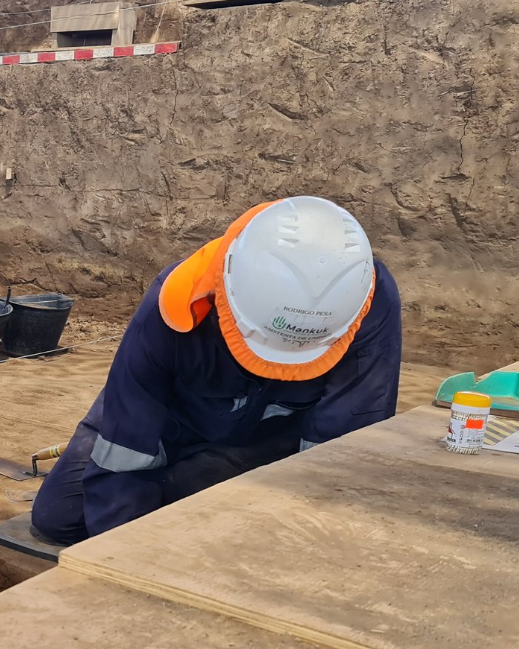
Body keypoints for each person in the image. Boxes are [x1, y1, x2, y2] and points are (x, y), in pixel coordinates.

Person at [29, 196, 402, 545]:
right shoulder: (177, 299)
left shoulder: (366, 299)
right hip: (174, 423)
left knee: (223, 526)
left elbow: (345, 440)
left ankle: (202, 479)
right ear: (228, 297)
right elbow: (129, 433)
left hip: (268, 438)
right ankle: (192, 482)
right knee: (59, 517)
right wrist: (124, 553)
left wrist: (308, 538)